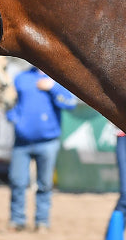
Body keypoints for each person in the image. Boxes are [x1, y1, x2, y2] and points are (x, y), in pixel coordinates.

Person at [6, 65, 76, 231]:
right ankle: (17, 220)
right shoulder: (21, 77)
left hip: (48, 142)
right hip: (21, 142)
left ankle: (42, 221)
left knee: (44, 184)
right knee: (17, 181)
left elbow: (71, 103)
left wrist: (53, 88)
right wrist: (15, 120)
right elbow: (9, 102)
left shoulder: (58, 77)